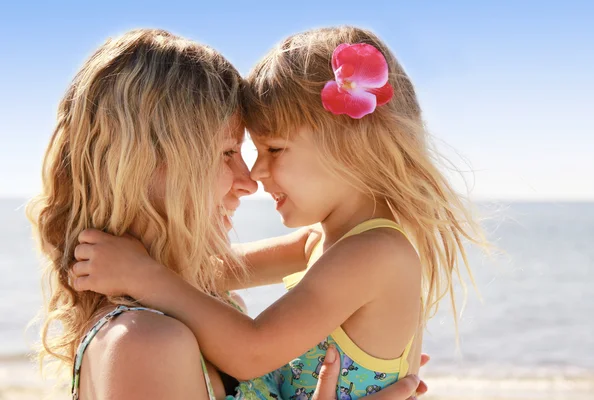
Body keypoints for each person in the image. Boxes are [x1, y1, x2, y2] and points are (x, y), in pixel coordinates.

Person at [72, 26, 486, 399]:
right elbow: (201, 274)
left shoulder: (375, 253)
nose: (254, 174)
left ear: (351, 146)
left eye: (274, 150)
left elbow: (252, 350)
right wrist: (130, 261)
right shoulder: (321, 245)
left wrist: (141, 274)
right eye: (233, 152)